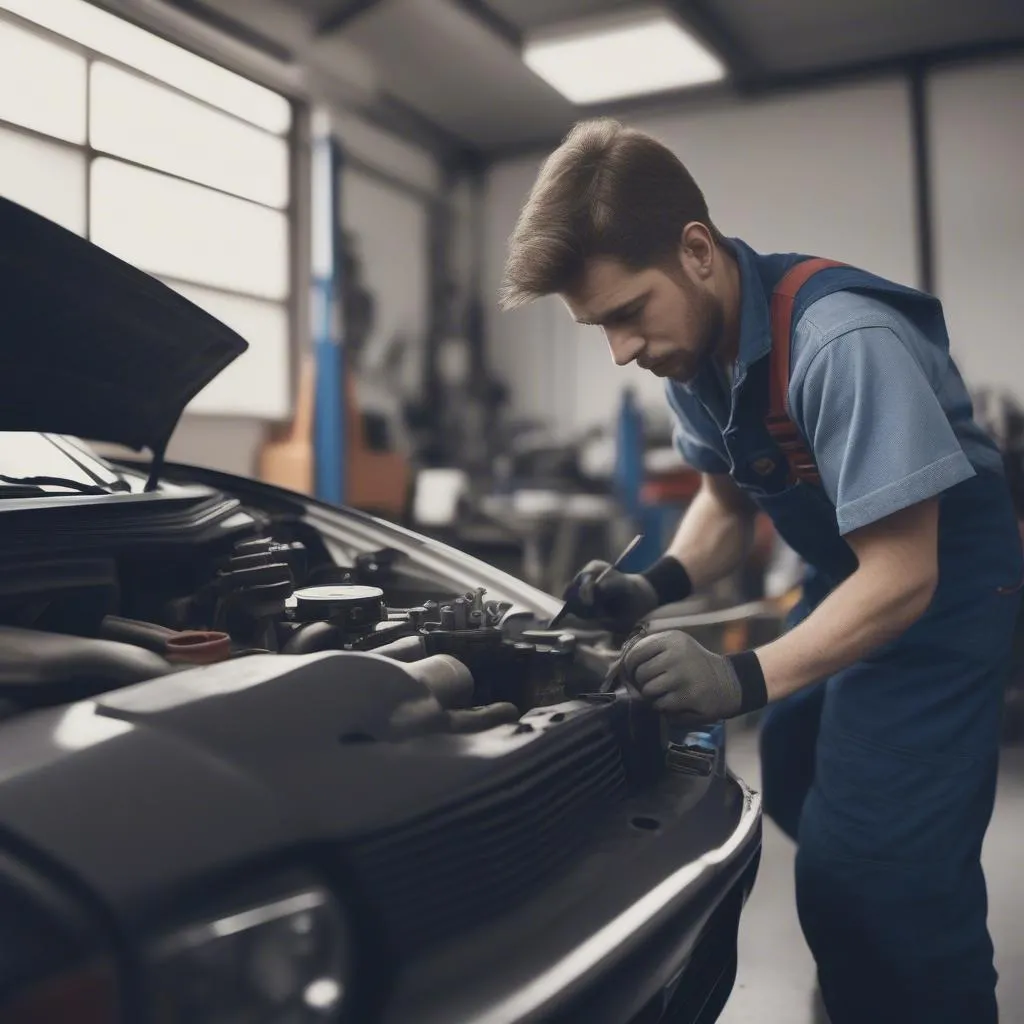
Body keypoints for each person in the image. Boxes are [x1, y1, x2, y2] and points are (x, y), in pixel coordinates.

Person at [498, 118, 1023, 1024]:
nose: (620, 350)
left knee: (873, 876)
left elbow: (903, 576)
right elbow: (728, 506)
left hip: (945, 593)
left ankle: (907, 975)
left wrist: (738, 676)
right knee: (796, 759)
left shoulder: (841, 344)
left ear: (697, 250)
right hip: (849, 577)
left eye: (627, 313)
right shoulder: (695, 356)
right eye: (599, 328)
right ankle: (868, 981)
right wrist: (649, 585)